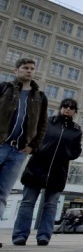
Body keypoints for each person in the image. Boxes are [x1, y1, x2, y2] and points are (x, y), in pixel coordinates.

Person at [11, 98, 81, 246]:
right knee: (27, 203)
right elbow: (33, 138)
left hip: (58, 171)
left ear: (75, 111)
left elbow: (76, 150)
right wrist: (38, 150)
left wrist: (67, 154)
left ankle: (44, 236)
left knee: (50, 206)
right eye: (65, 106)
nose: (67, 109)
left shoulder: (76, 130)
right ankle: (20, 235)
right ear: (60, 107)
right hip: (37, 167)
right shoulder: (47, 122)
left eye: (71, 107)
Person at [0, 58, 48, 221]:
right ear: (16, 70)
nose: (29, 71)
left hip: (19, 151)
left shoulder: (40, 97)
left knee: (3, 192)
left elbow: (42, 124)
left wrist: (32, 146)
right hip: (1, 145)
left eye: (32, 69)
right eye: (25, 68)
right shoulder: (4, 88)